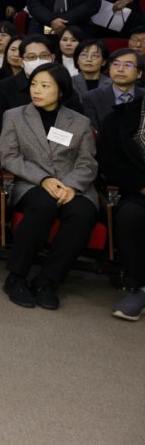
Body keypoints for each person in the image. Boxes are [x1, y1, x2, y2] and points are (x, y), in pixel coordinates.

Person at [0, 64, 99, 310]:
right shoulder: (14, 116)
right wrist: (43, 179)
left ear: (61, 91)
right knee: (43, 205)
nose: (37, 90)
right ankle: (16, 276)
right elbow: (9, 156)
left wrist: (71, 186)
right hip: (31, 182)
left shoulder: (80, 122)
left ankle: (48, 280)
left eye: (45, 86)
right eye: (34, 84)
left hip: (72, 183)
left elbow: (87, 162)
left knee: (83, 213)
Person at [95, 95, 145, 320]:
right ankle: (140, 288)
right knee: (130, 215)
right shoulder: (120, 116)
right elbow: (109, 162)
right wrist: (141, 186)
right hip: (137, 191)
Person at [0, 34, 82, 125]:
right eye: (31, 57)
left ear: (52, 58)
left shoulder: (64, 88)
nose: (38, 61)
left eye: (43, 56)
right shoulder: (3, 88)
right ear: (21, 62)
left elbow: (76, 124)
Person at [82, 48, 140, 132]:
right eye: (116, 64)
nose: (120, 69)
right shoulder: (91, 98)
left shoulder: (142, 96)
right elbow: (92, 133)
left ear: (139, 73)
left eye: (128, 65)